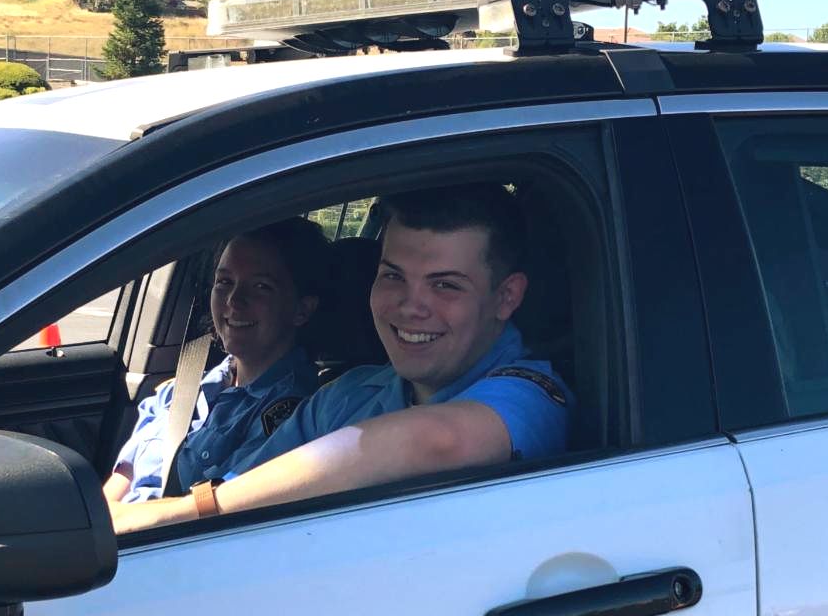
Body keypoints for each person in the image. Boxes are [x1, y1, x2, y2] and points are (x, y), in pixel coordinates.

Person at [110, 183, 572, 534]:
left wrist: (176, 514)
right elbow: (247, 483)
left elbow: (437, 441)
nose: (410, 307)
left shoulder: (532, 394)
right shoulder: (348, 396)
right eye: (393, 277)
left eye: (445, 284)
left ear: (506, 296)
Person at [103, 217, 328, 505]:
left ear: (301, 310)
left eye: (261, 286)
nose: (234, 300)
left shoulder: (297, 419)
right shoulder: (182, 388)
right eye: (224, 282)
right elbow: (121, 481)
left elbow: (217, 513)